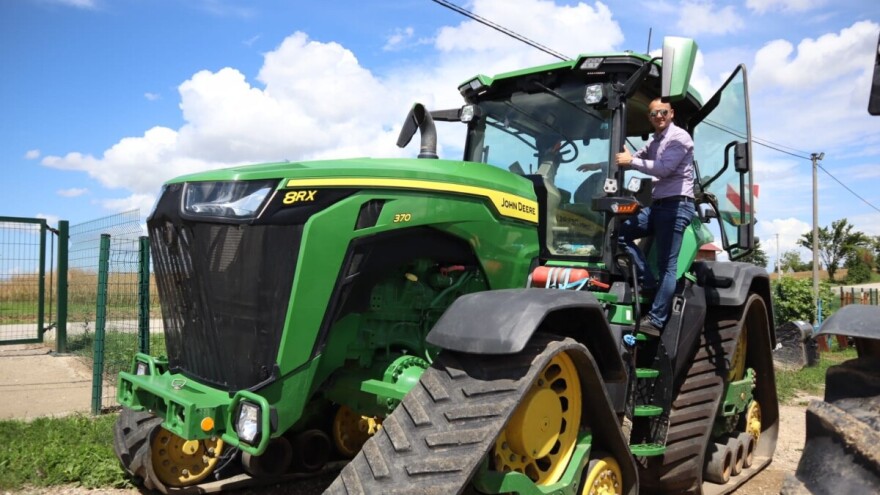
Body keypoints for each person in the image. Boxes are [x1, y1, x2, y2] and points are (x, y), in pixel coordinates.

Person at [616, 98, 696, 337]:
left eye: (663, 112)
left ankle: (657, 320)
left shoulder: (680, 138)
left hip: (677, 205)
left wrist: (631, 161)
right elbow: (631, 160)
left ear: (671, 113)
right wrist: (603, 163)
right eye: (653, 114)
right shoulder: (655, 141)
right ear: (649, 118)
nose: (658, 116)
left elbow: (662, 168)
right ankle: (647, 282)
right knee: (620, 234)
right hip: (659, 205)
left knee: (667, 266)